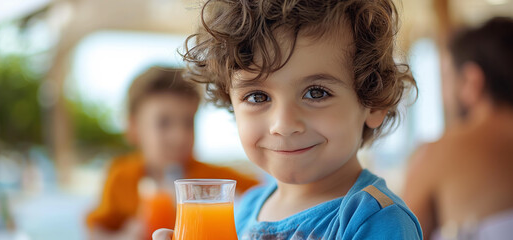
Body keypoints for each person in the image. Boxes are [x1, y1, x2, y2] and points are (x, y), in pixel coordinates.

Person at [153, 0, 422, 239]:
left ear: (372, 103)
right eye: (258, 97)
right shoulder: (244, 211)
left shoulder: (375, 221)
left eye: (316, 93)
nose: (283, 124)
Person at [86, 67, 259, 239]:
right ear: (134, 128)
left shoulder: (213, 179)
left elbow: (266, 195)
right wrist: (126, 235)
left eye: (187, 122)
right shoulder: (121, 176)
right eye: (164, 123)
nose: (179, 137)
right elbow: (96, 230)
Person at [403, 17, 513, 240]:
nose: (444, 95)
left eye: (447, 76)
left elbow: (399, 233)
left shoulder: (440, 154)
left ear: (473, 80)